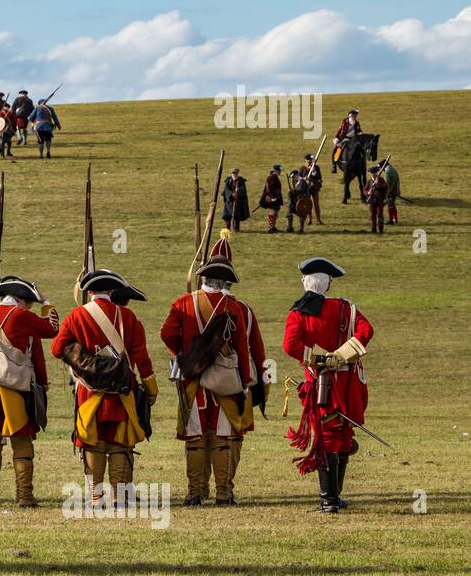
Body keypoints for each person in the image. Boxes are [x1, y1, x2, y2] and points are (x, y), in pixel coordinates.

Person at [159, 231, 268, 506]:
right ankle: (223, 494)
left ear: (204, 277)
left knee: (195, 439)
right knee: (223, 438)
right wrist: (246, 379)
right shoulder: (235, 307)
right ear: (226, 279)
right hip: (226, 381)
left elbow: (166, 334)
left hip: (192, 380)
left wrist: (184, 357)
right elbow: (244, 348)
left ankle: (194, 493)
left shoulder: (183, 302)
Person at [52, 270, 158, 508]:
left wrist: (83, 359)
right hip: (122, 392)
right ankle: (120, 498)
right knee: (120, 444)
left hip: (89, 392)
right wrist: (152, 389)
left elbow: (57, 348)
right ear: (111, 291)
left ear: (89, 292)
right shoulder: (128, 317)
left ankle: (95, 497)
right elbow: (142, 358)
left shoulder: (76, 316)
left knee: (93, 443)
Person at [283, 257, 373, 512]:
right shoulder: (346, 308)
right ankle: (335, 496)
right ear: (328, 285)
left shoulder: (298, 313)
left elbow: (290, 345)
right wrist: (341, 355)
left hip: (321, 382)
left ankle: (329, 500)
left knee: (327, 437)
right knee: (343, 433)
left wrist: (319, 359)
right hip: (348, 383)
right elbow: (366, 331)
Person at [0, 275, 59, 509]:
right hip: (16, 389)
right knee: (22, 443)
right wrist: (47, 303)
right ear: (21, 300)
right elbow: (52, 328)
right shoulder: (23, 316)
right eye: (30, 303)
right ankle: (24, 496)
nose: (31, 307)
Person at [332, 108, 362, 173]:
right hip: (344, 139)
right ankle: (334, 164)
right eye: (354, 115)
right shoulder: (345, 122)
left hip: (353, 139)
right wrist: (336, 138)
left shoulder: (357, 123)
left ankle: (362, 163)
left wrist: (360, 134)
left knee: (361, 148)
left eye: (356, 115)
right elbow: (339, 130)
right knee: (337, 149)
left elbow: (359, 130)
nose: (356, 116)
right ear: (350, 115)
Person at [298, 153, 324, 225]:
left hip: (314, 188)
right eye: (308, 159)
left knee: (316, 204)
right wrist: (304, 178)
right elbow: (299, 177)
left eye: (310, 160)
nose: (309, 161)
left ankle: (318, 220)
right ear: (306, 160)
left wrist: (314, 171)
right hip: (306, 189)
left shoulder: (316, 167)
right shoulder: (302, 168)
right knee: (308, 204)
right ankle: (310, 219)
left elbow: (319, 177)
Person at [221, 168, 250, 232]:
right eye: (233, 173)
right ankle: (227, 229)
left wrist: (238, 191)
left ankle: (236, 228)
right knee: (227, 216)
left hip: (237, 202)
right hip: (229, 201)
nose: (234, 174)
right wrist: (231, 194)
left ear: (238, 173)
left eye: (236, 173)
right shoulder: (228, 180)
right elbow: (226, 189)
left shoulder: (241, 181)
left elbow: (244, 190)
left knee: (237, 216)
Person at [258, 164, 284, 233]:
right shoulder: (273, 177)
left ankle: (273, 227)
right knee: (272, 211)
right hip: (272, 198)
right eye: (279, 171)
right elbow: (269, 189)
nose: (280, 172)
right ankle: (271, 228)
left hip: (275, 197)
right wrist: (273, 197)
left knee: (275, 211)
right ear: (276, 171)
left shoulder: (274, 176)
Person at [286, 165, 312, 233]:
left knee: (302, 215)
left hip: (303, 201)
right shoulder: (297, 182)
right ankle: (290, 227)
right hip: (297, 201)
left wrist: (292, 191)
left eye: (294, 177)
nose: (293, 178)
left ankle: (301, 229)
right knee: (289, 211)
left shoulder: (302, 181)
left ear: (297, 175)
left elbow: (300, 190)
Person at [364, 165, 388, 234]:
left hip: (379, 200)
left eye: (375, 173)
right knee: (372, 215)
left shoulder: (381, 180)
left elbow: (386, 187)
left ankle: (380, 229)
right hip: (371, 200)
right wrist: (368, 192)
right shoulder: (369, 181)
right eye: (372, 173)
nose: (374, 174)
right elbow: (365, 190)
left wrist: (378, 185)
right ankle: (373, 229)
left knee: (380, 214)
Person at [382, 161, 400, 225]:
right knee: (392, 205)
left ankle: (391, 221)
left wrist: (387, 193)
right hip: (395, 191)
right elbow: (397, 181)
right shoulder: (394, 169)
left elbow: (387, 184)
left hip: (390, 192)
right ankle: (395, 219)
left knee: (390, 206)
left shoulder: (387, 172)